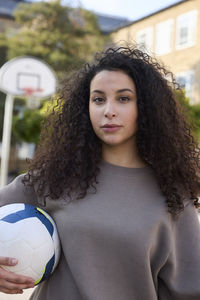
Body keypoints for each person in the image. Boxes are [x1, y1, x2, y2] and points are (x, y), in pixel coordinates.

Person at [0, 44, 200, 300]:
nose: (109, 110)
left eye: (124, 98)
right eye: (98, 99)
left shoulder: (174, 194)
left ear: (147, 108)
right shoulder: (55, 177)